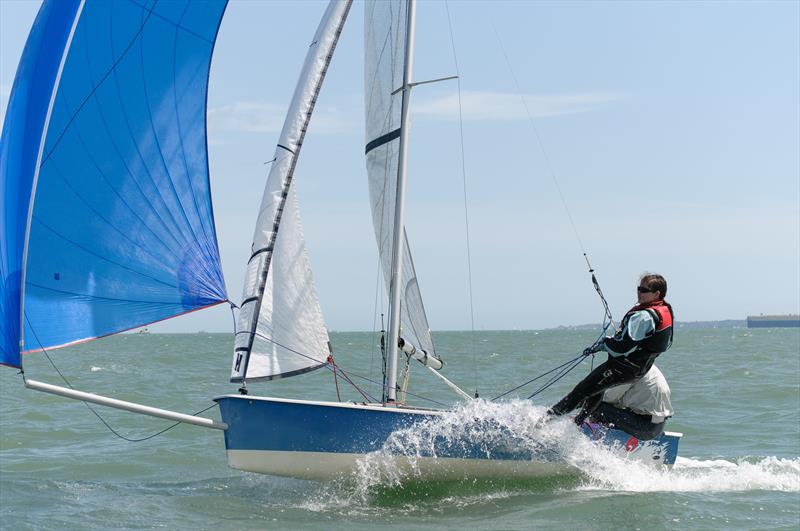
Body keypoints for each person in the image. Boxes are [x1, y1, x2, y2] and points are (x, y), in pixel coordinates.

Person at [548, 273, 674, 419]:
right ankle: (577, 424)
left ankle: (542, 423)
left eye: (644, 290)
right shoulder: (663, 310)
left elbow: (622, 348)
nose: (639, 292)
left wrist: (605, 343)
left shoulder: (643, 317)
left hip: (621, 368)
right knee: (596, 391)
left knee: (580, 392)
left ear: (657, 293)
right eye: (638, 288)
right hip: (638, 370)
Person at [579, 364, 673, 440]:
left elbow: (609, 398)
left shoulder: (630, 369)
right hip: (657, 426)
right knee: (605, 408)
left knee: (598, 406)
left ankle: (596, 439)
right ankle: (602, 430)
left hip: (646, 428)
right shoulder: (645, 365)